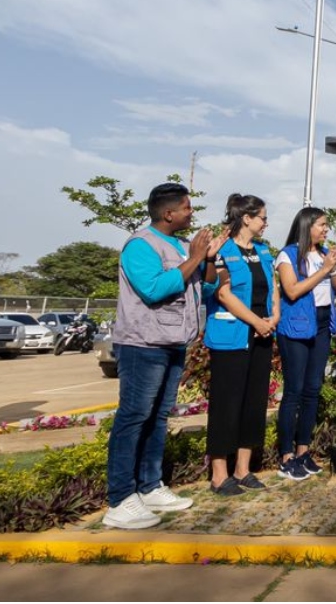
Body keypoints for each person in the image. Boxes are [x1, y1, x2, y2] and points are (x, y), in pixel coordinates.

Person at [105, 182, 221, 530]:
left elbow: (209, 286)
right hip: (143, 343)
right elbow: (155, 289)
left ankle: (150, 485)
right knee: (134, 416)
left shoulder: (185, 245)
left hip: (173, 342)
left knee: (157, 417)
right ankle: (120, 499)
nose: (191, 212)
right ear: (168, 214)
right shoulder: (140, 245)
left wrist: (209, 259)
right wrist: (197, 257)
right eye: (186, 207)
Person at [203, 193, 279, 497]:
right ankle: (219, 474)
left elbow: (272, 290)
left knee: (254, 401)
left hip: (262, 335)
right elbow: (223, 294)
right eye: (262, 217)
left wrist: (273, 317)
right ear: (246, 218)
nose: (265, 222)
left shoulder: (263, 252)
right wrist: (256, 322)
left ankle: (243, 469)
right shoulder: (223, 251)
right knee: (226, 404)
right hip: (232, 336)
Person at [273, 206, 336, 481]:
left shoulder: (324, 254)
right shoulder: (289, 254)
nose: (326, 229)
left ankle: (304, 451)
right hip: (298, 325)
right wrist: (323, 271)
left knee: (313, 389)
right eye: (322, 225)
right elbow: (292, 290)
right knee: (295, 390)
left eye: (326, 225)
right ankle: (286, 456)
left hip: (323, 322)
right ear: (307, 226)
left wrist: (334, 269)